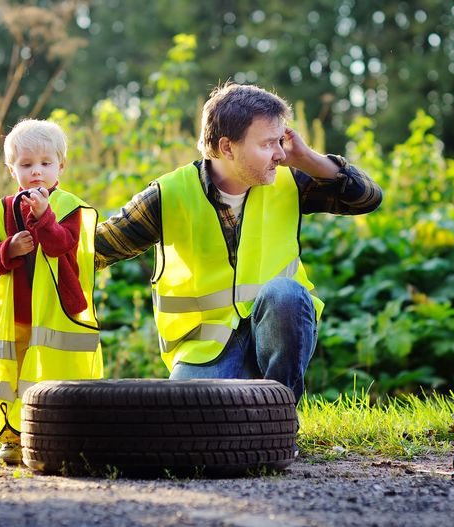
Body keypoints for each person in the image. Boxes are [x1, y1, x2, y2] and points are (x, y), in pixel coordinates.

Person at [92, 83, 382, 407]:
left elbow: (367, 197)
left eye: (280, 141)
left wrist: (308, 159)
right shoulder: (170, 194)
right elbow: (97, 248)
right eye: (268, 143)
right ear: (227, 147)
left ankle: (281, 416)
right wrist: (38, 228)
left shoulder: (289, 180)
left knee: (287, 293)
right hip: (204, 353)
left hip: (273, 335)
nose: (280, 154)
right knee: (191, 429)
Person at [0, 119, 102, 465]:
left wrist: (44, 215)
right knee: (11, 379)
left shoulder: (68, 206)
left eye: (45, 164)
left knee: (53, 377)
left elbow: (61, 244)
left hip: (57, 313)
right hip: (14, 315)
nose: (36, 172)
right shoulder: (1, 210)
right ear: (11, 169)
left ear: (60, 166)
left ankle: (58, 438)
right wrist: (8, 250)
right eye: (26, 165)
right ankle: (11, 441)